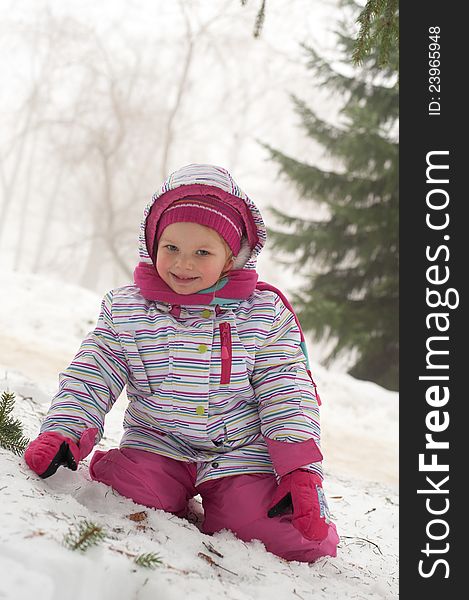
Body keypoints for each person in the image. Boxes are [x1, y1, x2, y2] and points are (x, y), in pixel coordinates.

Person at [24, 163, 339, 562]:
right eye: (171, 248)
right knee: (128, 492)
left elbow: (287, 393)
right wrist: (63, 431)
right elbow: (93, 374)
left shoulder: (263, 315)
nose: (182, 264)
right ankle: (148, 477)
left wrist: (299, 471)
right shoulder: (127, 310)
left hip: (239, 451)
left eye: (202, 252)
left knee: (294, 538)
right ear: (152, 244)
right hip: (157, 443)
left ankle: (247, 501)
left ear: (231, 257)